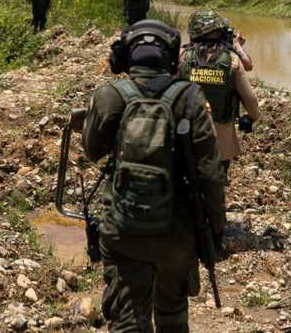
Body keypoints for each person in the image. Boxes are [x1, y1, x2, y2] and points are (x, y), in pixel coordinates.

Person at [81, 20, 225, 333]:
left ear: (125, 58)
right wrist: (215, 231)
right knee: (172, 311)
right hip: (177, 231)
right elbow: (210, 174)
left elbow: (92, 151)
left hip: (123, 227)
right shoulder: (191, 98)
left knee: (128, 318)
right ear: (173, 60)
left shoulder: (110, 95)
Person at [178, 10, 259, 183]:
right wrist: (252, 117)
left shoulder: (182, 56)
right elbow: (250, 100)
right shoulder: (232, 59)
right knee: (216, 184)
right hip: (220, 141)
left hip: (185, 134)